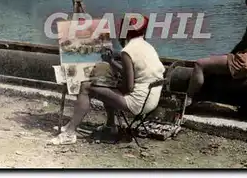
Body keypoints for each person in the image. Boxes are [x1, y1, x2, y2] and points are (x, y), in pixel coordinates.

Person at [50, 15, 165, 145]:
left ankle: (70, 133)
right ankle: (110, 126)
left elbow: (129, 87)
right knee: (107, 87)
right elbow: (133, 72)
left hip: (138, 102)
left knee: (86, 87)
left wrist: (110, 74)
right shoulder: (147, 46)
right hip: (152, 98)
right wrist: (112, 62)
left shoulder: (128, 51)